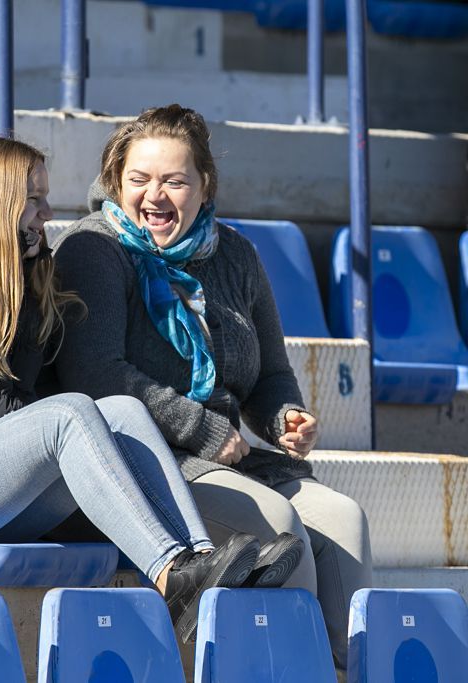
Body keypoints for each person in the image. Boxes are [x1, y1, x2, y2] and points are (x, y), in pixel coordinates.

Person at [0, 130, 299, 643]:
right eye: (32, 200)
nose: (46, 214)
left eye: (45, 199)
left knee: (121, 411)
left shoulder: (26, 283)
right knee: (68, 413)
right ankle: (173, 577)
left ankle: (201, 561)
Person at [53, 104, 371, 667]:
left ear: (204, 186)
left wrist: (284, 418)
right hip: (144, 459)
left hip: (231, 459)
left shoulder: (237, 255)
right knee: (278, 527)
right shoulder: (94, 249)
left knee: (345, 521)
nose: (156, 195)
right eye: (140, 179)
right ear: (115, 182)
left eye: (175, 180)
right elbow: (96, 374)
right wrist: (202, 429)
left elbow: (269, 375)